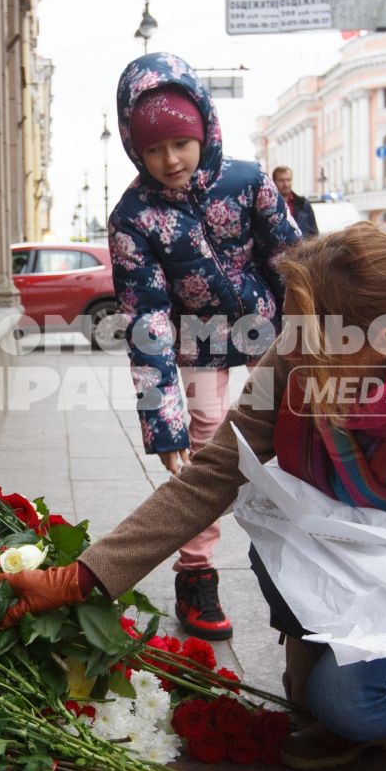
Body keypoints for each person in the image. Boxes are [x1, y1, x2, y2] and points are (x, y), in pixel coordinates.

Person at [0, 223, 386, 771]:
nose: (291, 347)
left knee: (348, 701)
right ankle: (359, 707)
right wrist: (81, 579)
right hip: (342, 572)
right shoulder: (295, 361)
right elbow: (212, 478)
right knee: (279, 549)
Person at [109, 53, 303, 639]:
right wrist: (163, 428)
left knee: (299, 431)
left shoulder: (249, 183)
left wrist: (316, 342)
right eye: (153, 149)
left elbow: (294, 263)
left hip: (269, 330)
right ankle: (196, 575)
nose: (170, 160)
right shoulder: (134, 218)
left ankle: (318, 559)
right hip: (193, 345)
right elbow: (148, 322)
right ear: (134, 149)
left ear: (205, 130)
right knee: (204, 444)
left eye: (181, 143)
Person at [272, 165, 320, 237]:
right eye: (281, 180)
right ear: (274, 181)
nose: (286, 184)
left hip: (303, 247)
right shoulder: (269, 206)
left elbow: (314, 232)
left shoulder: (303, 204)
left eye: (288, 180)